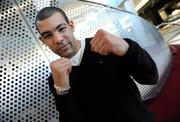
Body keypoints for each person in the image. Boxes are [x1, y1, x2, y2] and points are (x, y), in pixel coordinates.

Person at [35, 6, 158, 122]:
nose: (58, 39)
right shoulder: (56, 79)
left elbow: (150, 77)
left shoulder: (105, 45)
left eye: (61, 29)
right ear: (43, 41)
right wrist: (62, 90)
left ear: (71, 26)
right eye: (48, 35)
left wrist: (127, 48)